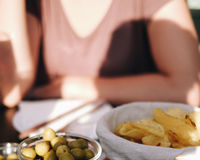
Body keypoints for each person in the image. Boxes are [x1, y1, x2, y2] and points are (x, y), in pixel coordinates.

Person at [0, 0, 200, 108]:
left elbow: (188, 90)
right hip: (46, 159)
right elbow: (13, 90)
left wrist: (73, 86)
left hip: (135, 158)